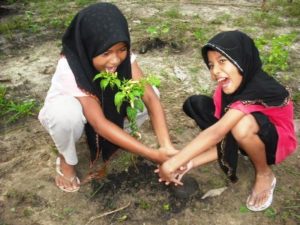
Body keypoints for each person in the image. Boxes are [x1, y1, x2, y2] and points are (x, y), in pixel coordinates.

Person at [38, 3, 177, 193]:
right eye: (106, 53)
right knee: (65, 117)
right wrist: (154, 155)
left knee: (146, 95)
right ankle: (66, 159)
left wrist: (166, 146)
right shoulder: (69, 67)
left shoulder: (122, 57)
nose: (115, 60)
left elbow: (151, 98)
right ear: (89, 47)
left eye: (121, 49)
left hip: (100, 111)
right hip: (78, 115)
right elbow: (99, 123)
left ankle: (119, 136)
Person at [156, 30, 297, 211]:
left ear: (241, 59)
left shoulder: (258, 86)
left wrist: (173, 162)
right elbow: (224, 134)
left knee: (241, 126)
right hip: (242, 132)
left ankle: (264, 173)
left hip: (274, 143)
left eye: (222, 61)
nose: (215, 71)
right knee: (195, 104)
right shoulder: (229, 87)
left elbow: (217, 132)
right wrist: (190, 162)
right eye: (211, 64)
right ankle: (243, 146)